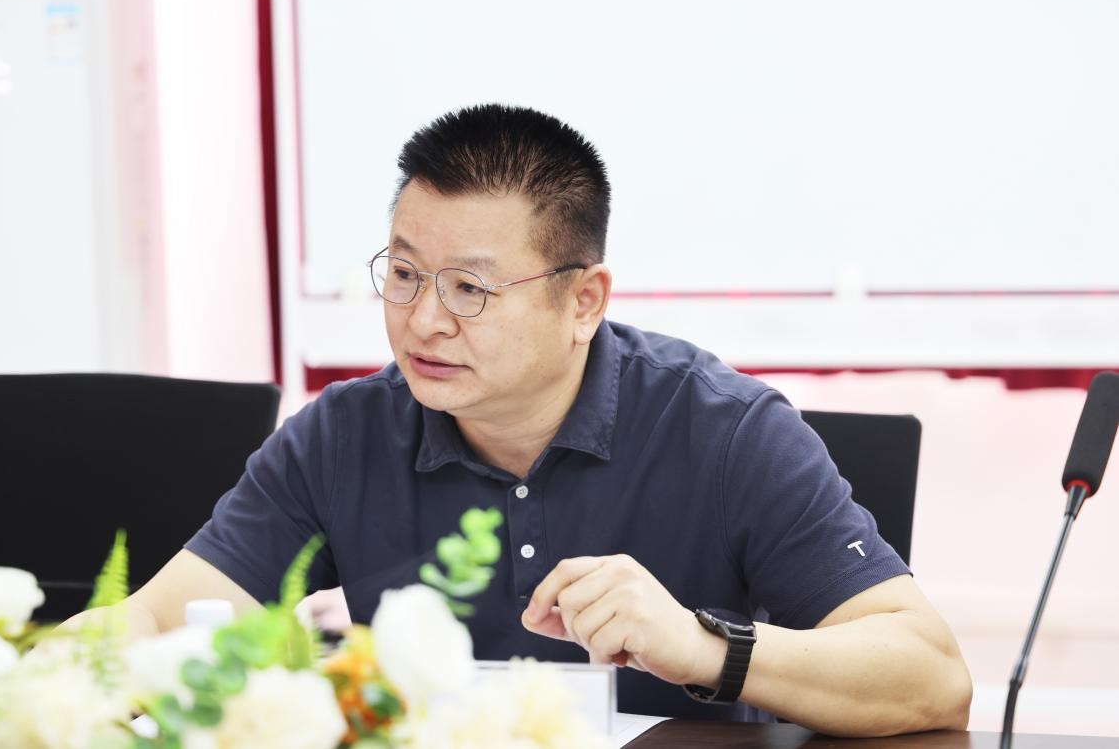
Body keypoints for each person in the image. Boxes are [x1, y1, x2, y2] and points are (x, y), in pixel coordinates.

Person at [66, 104, 971, 735]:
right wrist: (15, 686)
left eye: (469, 288)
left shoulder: (726, 429)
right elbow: (154, 623)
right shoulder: (342, 435)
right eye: (405, 274)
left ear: (584, 301)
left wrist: (702, 646)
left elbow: (932, 676)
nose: (423, 320)